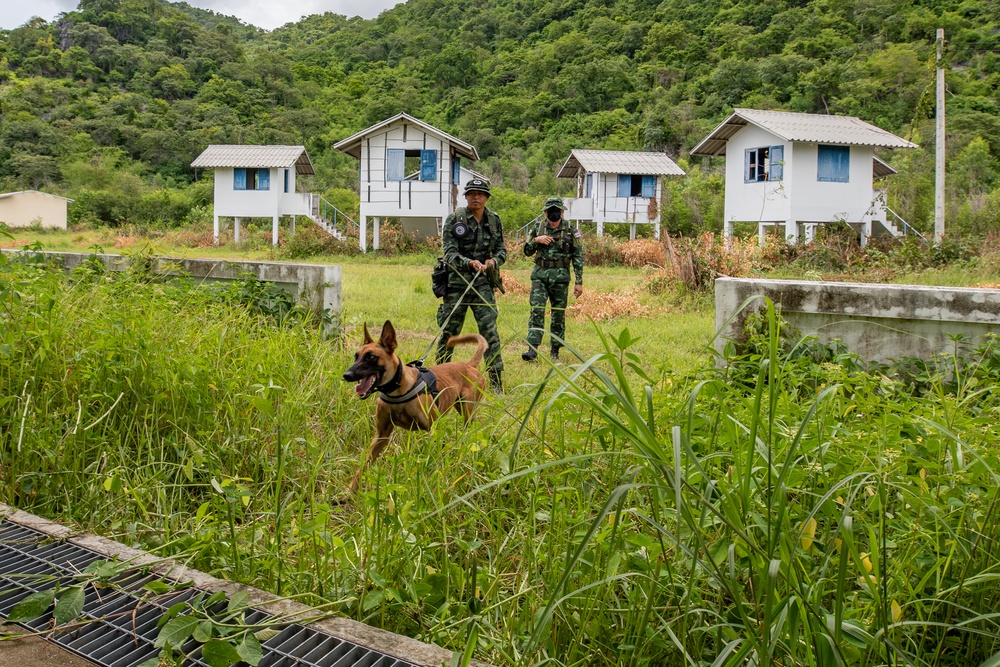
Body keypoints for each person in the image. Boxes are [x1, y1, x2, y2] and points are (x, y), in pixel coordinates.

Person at [438, 178, 507, 392]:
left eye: (480, 193)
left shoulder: (494, 220)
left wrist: (494, 261)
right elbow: (449, 252)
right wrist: (468, 262)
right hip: (457, 283)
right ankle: (438, 378)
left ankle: (496, 382)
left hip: (483, 284)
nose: (476, 197)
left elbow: (502, 250)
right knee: (450, 332)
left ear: (486, 197)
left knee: (490, 333)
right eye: (472, 193)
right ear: (466, 196)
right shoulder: (455, 219)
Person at [522, 196, 583, 361]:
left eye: (558, 210)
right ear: (545, 212)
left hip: (561, 278)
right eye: (551, 211)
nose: (554, 214)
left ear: (562, 212)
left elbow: (578, 256)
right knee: (536, 311)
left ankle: (555, 350)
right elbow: (526, 251)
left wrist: (579, 282)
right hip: (540, 276)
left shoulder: (571, 230)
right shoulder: (537, 228)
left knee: (558, 314)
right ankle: (532, 349)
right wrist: (536, 240)